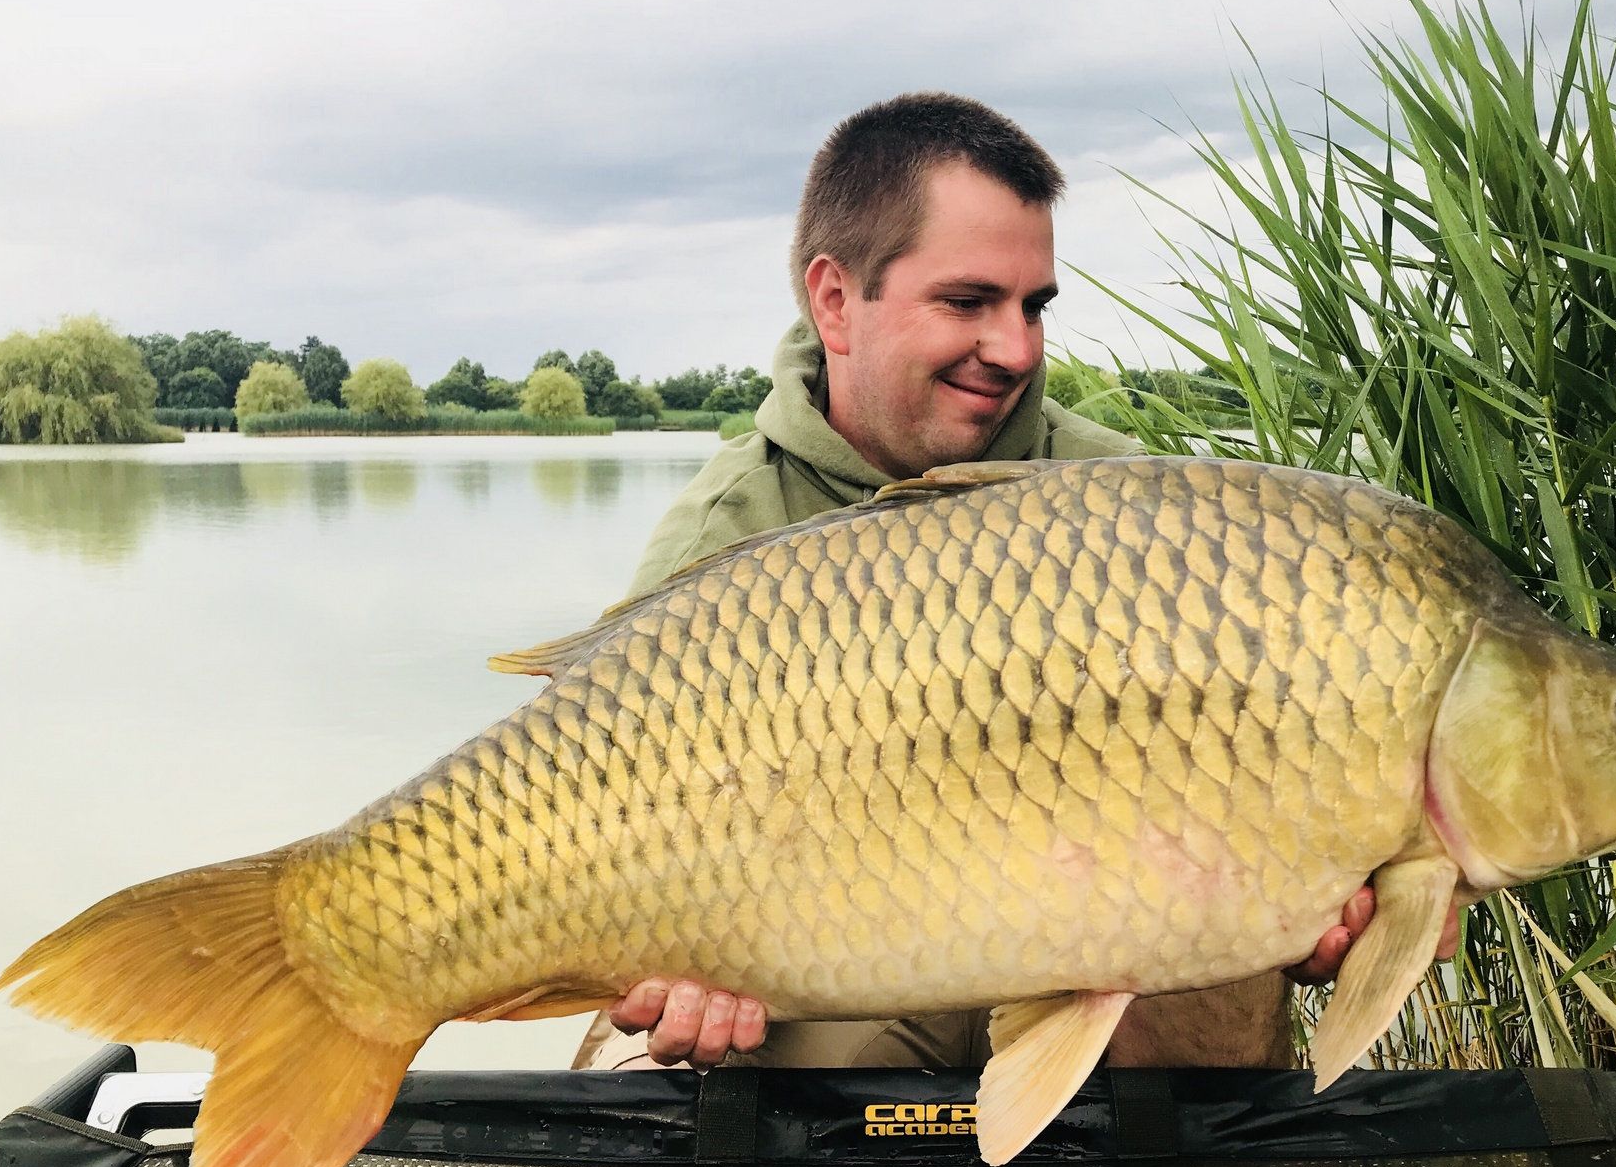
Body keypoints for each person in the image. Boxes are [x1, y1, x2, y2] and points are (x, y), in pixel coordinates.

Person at [578, 92, 1451, 1073]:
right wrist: (670, 976)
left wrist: (1317, 901)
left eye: (1033, 306)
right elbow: (618, 827)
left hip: (1098, 953)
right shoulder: (723, 533)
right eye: (968, 302)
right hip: (843, 969)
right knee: (728, 1059)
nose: (1018, 350)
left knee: (1213, 948)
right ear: (835, 301)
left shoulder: (1135, 504)